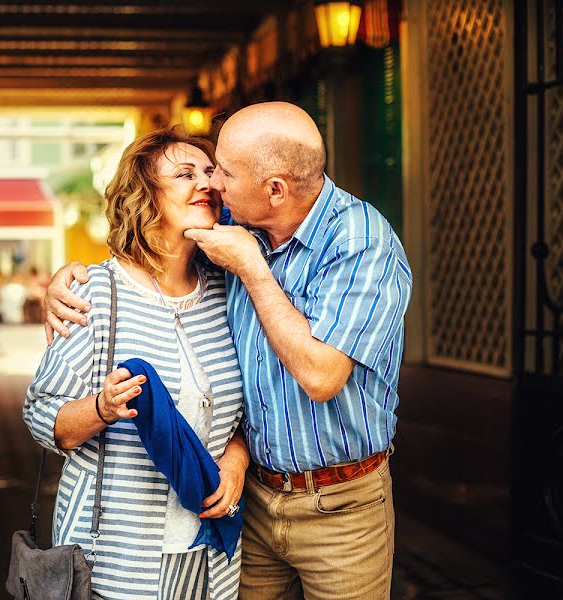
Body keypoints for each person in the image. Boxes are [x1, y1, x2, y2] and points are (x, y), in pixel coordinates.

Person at [44, 102, 412, 600]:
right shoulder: (230, 235)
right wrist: (67, 280)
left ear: (274, 191)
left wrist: (252, 268)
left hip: (340, 507)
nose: (213, 183)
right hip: (246, 511)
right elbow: (152, 271)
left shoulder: (356, 244)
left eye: (222, 172)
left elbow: (321, 378)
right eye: (197, 171)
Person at [23, 128, 249, 600]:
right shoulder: (95, 294)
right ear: (144, 197)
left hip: (208, 550)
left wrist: (236, 460)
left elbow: (254, 405)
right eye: (185, 174)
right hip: (115, 554)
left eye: (210, 172)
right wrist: (102, 407)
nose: (204, 182)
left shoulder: (229, 291)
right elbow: (43, 415)